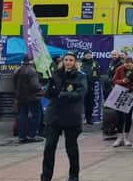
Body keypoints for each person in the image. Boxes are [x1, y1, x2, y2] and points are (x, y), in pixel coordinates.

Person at [41, 51, 87, 181]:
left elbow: (80, 92)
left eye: (71, 60)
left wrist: (64, 94)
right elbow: (48, 95)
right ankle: (46, 176)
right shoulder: (56, 74)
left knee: (71, 148)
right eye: (66, 60)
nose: (68, 62)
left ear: (75, 62)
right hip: (54, 116)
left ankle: (73, 176)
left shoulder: (80, 76)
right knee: (49, 148)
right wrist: (50, 88)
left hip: (71, 116)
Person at [14, 55, 43, 144]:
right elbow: (35, 85)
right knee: (36, 115)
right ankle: (32, 135)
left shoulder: (18, 70)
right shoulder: (32, 70)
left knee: (23, 116)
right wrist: (41, 90)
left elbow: (14, 83)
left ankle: (22, 137)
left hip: (21, 97)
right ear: (32, 60)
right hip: (32, 97)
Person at [111, 57, 133, 147]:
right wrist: (122, 81)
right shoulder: (119, 69)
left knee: (128, 117)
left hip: (130, 95)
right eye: (126, 64)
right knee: (119, 116)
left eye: (129, 64)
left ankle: (126, 137)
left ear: (132, 64)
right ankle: (119, 138)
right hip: (120, 93)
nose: (127, 66)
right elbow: (114, 80)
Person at [80, 50, 100, 125]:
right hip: (80, 86)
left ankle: (89, 118)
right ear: (84, 55)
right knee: (80, 103)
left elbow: (98, 74)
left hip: (91, 86)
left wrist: (94, 79)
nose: (88, 55)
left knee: (90, 103)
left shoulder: (95, 63)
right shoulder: (79, 63)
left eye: (89, 54)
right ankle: (79, 118)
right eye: (87, 54)